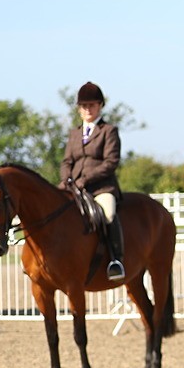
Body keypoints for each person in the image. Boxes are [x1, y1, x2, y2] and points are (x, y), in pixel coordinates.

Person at [60, 82, 125, 281]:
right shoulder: (74, 134)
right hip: (73, 187)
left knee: (108, 214)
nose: (88, 109)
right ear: (79, 109)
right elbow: (67, 161)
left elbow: (111, 162)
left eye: (92, 105)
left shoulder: (108, 131)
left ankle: (116, 260)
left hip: (100, 188)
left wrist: (85, 180)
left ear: (100, 106)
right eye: (84, 106)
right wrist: (67, 180)